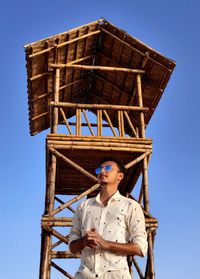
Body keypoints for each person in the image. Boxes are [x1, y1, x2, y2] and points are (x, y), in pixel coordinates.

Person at [68, 157, 148, 279]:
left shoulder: (131, 206)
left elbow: (141, 248)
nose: (102, 172)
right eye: (99, 169)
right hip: (84, 275)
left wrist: (107, 244)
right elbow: (72, 247)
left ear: (119, 176)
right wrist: (84, 241)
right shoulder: (83, 206)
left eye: (108, 168)